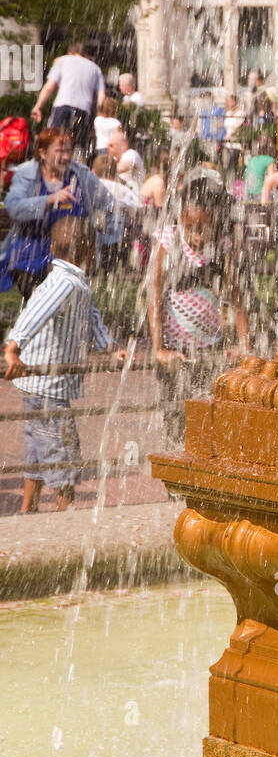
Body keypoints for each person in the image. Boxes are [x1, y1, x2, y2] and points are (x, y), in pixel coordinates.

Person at [3, 215, 125, 513]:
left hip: (39, 384)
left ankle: (27, 508)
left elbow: (91, 318)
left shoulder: (73, 283)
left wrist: (110, 349)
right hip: (49, 386)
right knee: (63, 452)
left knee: (37, 444)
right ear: (91, 252)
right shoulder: (66, 283)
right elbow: (37, 312)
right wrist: (13, 347)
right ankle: (65, 519)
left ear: (54, 248)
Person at [147, 173, 250, 442]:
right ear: (180, 216)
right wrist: (159, 349)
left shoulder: (222, 247)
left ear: (216, 222)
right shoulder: (168, 241)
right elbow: (154, 292)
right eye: (189, 227)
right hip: (175, 351)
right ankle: (176, 479)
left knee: (211, 418)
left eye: (203, 229)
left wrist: (243, 344)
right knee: (177, 420)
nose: (195, 236)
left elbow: (237, 298)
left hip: (211, 348)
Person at [0, 127, 122, 297]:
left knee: (65, 288)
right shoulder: (27, 174)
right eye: (59, 151)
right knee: (45, 292)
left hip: (70, 255)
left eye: (68, 151)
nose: (66, 157)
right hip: (31, 253)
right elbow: (14, 208)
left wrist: (104, 240)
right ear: (42, 153)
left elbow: (110, 205)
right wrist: (49, 200)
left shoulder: (81, 174)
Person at [30, 43, 106, 153]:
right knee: (79, 146)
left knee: (55, 141)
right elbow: (101, 97)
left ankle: (53, 165)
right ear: (86, 55)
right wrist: (100, 115)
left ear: (70, 52)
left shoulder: (63, 60)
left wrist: (38, 106)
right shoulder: (96, 69)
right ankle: (77, 166)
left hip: (62, 105)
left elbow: (49, 87)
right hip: (84, 110)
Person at [107, 126, 145, 197]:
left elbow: (121, 168)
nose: (108, 148)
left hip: (135, 197)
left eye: (111, 145)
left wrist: (102, 167)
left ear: (122, 145)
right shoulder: (116, 159)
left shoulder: (131, 153)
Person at [243, 135, 275, 199]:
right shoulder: (269, 160)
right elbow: (272, 179)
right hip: (260, 195)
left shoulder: (252, 160)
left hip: (248, 194)